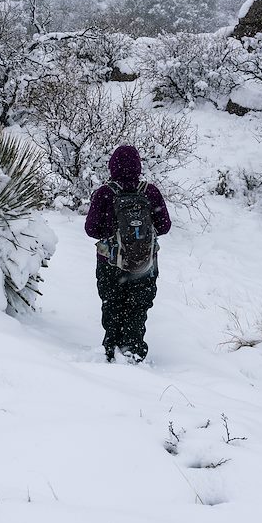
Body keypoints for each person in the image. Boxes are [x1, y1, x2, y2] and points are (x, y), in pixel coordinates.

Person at [84, 145, 171, 362]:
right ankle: (133, 350)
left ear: (112, 166)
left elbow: (91, 229)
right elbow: (165, 226)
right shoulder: (150, 191)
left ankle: (111, 349)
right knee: (137, 308)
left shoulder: (105, 193)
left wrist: (113, 233)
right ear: (139, 166)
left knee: (112, 304)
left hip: (110, 263)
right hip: (145, 265)